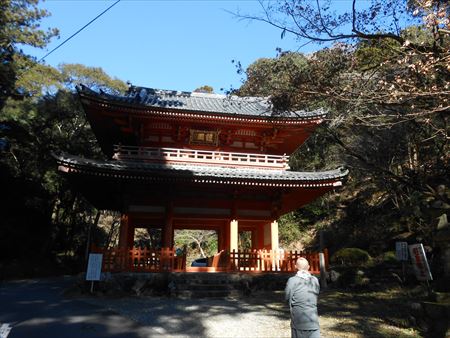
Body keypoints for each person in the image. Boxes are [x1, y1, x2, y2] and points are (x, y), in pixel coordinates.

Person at [285, 257, 321, 338]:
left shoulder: (292, 280)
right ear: (308, 267)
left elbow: (287, 298)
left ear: (295, 267)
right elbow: (316, 294)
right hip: (313, 321)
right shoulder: (315, 280)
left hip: (298, 321)